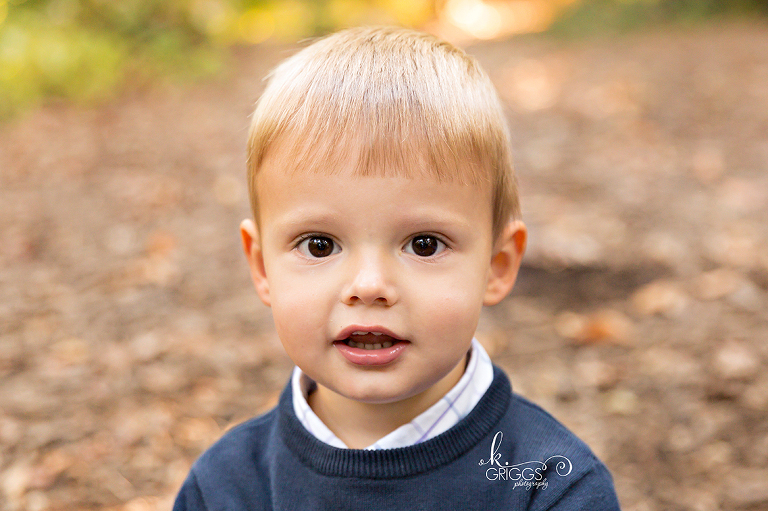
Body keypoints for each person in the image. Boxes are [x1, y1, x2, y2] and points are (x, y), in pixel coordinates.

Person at [173, 26, 621, 510]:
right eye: (320, 245)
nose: (369, 286)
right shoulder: (226, 488)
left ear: (497, 264)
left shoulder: (550, 487)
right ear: (261, 266)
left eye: (424, 245)